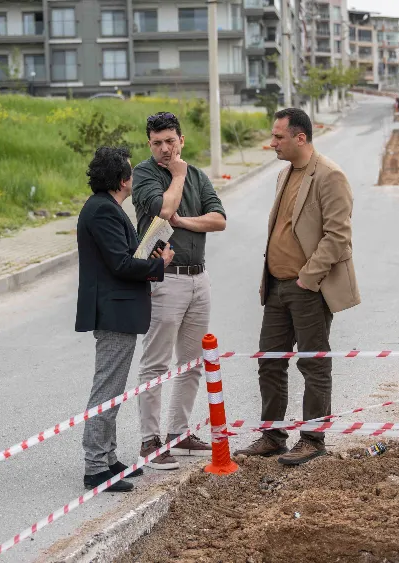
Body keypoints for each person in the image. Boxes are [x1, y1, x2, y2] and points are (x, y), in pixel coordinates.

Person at [234, 107, 360, 466]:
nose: (271, 142)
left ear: (300, 138)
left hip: (308, 289)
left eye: (278, 137)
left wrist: (308, 276)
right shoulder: (285, 174)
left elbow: (338, 237)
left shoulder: (330, 176)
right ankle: (273, 436)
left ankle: (312, 438)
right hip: (275, 288)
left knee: (313, 364)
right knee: (270, 363)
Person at [131, 112, 227, 470]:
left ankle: (178, 433)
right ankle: (150, 442)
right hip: (163, 279)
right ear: (149, 144)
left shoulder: (199, 176)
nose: (165, 149)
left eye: (170, 141)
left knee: (191, 364)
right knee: (155, 364)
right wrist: (178, 175)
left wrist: (184, 222)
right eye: (157, 142)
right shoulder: (145, 174)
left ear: (181, 140)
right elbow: (164, 208)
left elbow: (218, 219)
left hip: (198, 277)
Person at [75, 146, 174, 492]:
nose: (133, 177)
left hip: (121, 310)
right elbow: (121, 264)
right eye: (130, 173)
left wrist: (151, 254)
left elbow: (125, 256)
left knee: (113, 390)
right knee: (107, 389)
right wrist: (159, 265)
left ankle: (108, 458)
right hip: (114, 312)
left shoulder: (106, 207)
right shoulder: (102, 211)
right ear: (122, 179)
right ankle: (95, 467)